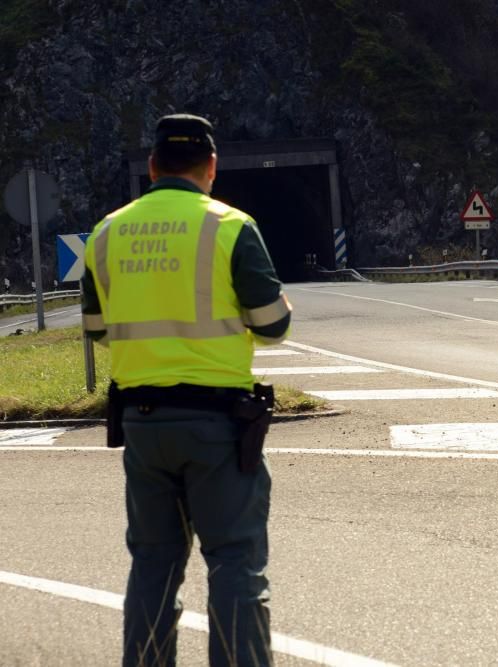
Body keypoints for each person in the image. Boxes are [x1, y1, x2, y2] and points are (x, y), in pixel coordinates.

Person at [82, 113, 292, 666]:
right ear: (212, 168)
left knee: (153, 562)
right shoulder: (229, 226)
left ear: (152, 167)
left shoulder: (106, 232)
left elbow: (96, 331)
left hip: (142, 423)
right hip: (219, 426)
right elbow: (273, 325)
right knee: (234, 561)